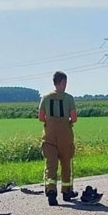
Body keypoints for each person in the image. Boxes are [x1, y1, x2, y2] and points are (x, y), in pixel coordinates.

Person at [38, 71, 78, 206]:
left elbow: (41, 117)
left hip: (49, 135)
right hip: (65, 135)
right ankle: (66, 191)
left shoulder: (45, 97)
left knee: (51, 164)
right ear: (62, 82)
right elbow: (74, 118)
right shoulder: (69, 98)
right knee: (66, 163)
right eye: (65, 83)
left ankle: (51, 191)